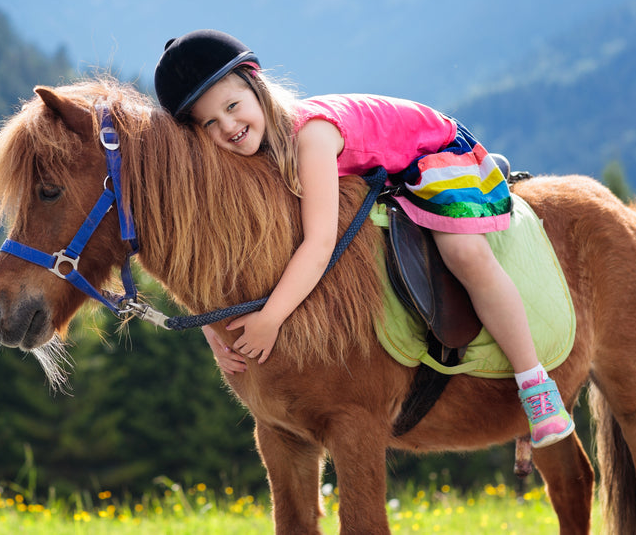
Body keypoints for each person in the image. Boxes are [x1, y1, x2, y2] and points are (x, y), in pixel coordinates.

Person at [153, 29, 575, 448]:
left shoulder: (309, 137)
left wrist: (270, 319)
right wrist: (212, 329)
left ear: (257, 88)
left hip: (430, 154)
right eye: (210, 122)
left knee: (464, 253)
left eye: (232, 106)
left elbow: (318, 245)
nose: (228, 126)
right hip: (386, 172)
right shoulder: (246, 150)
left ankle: (534, 383)